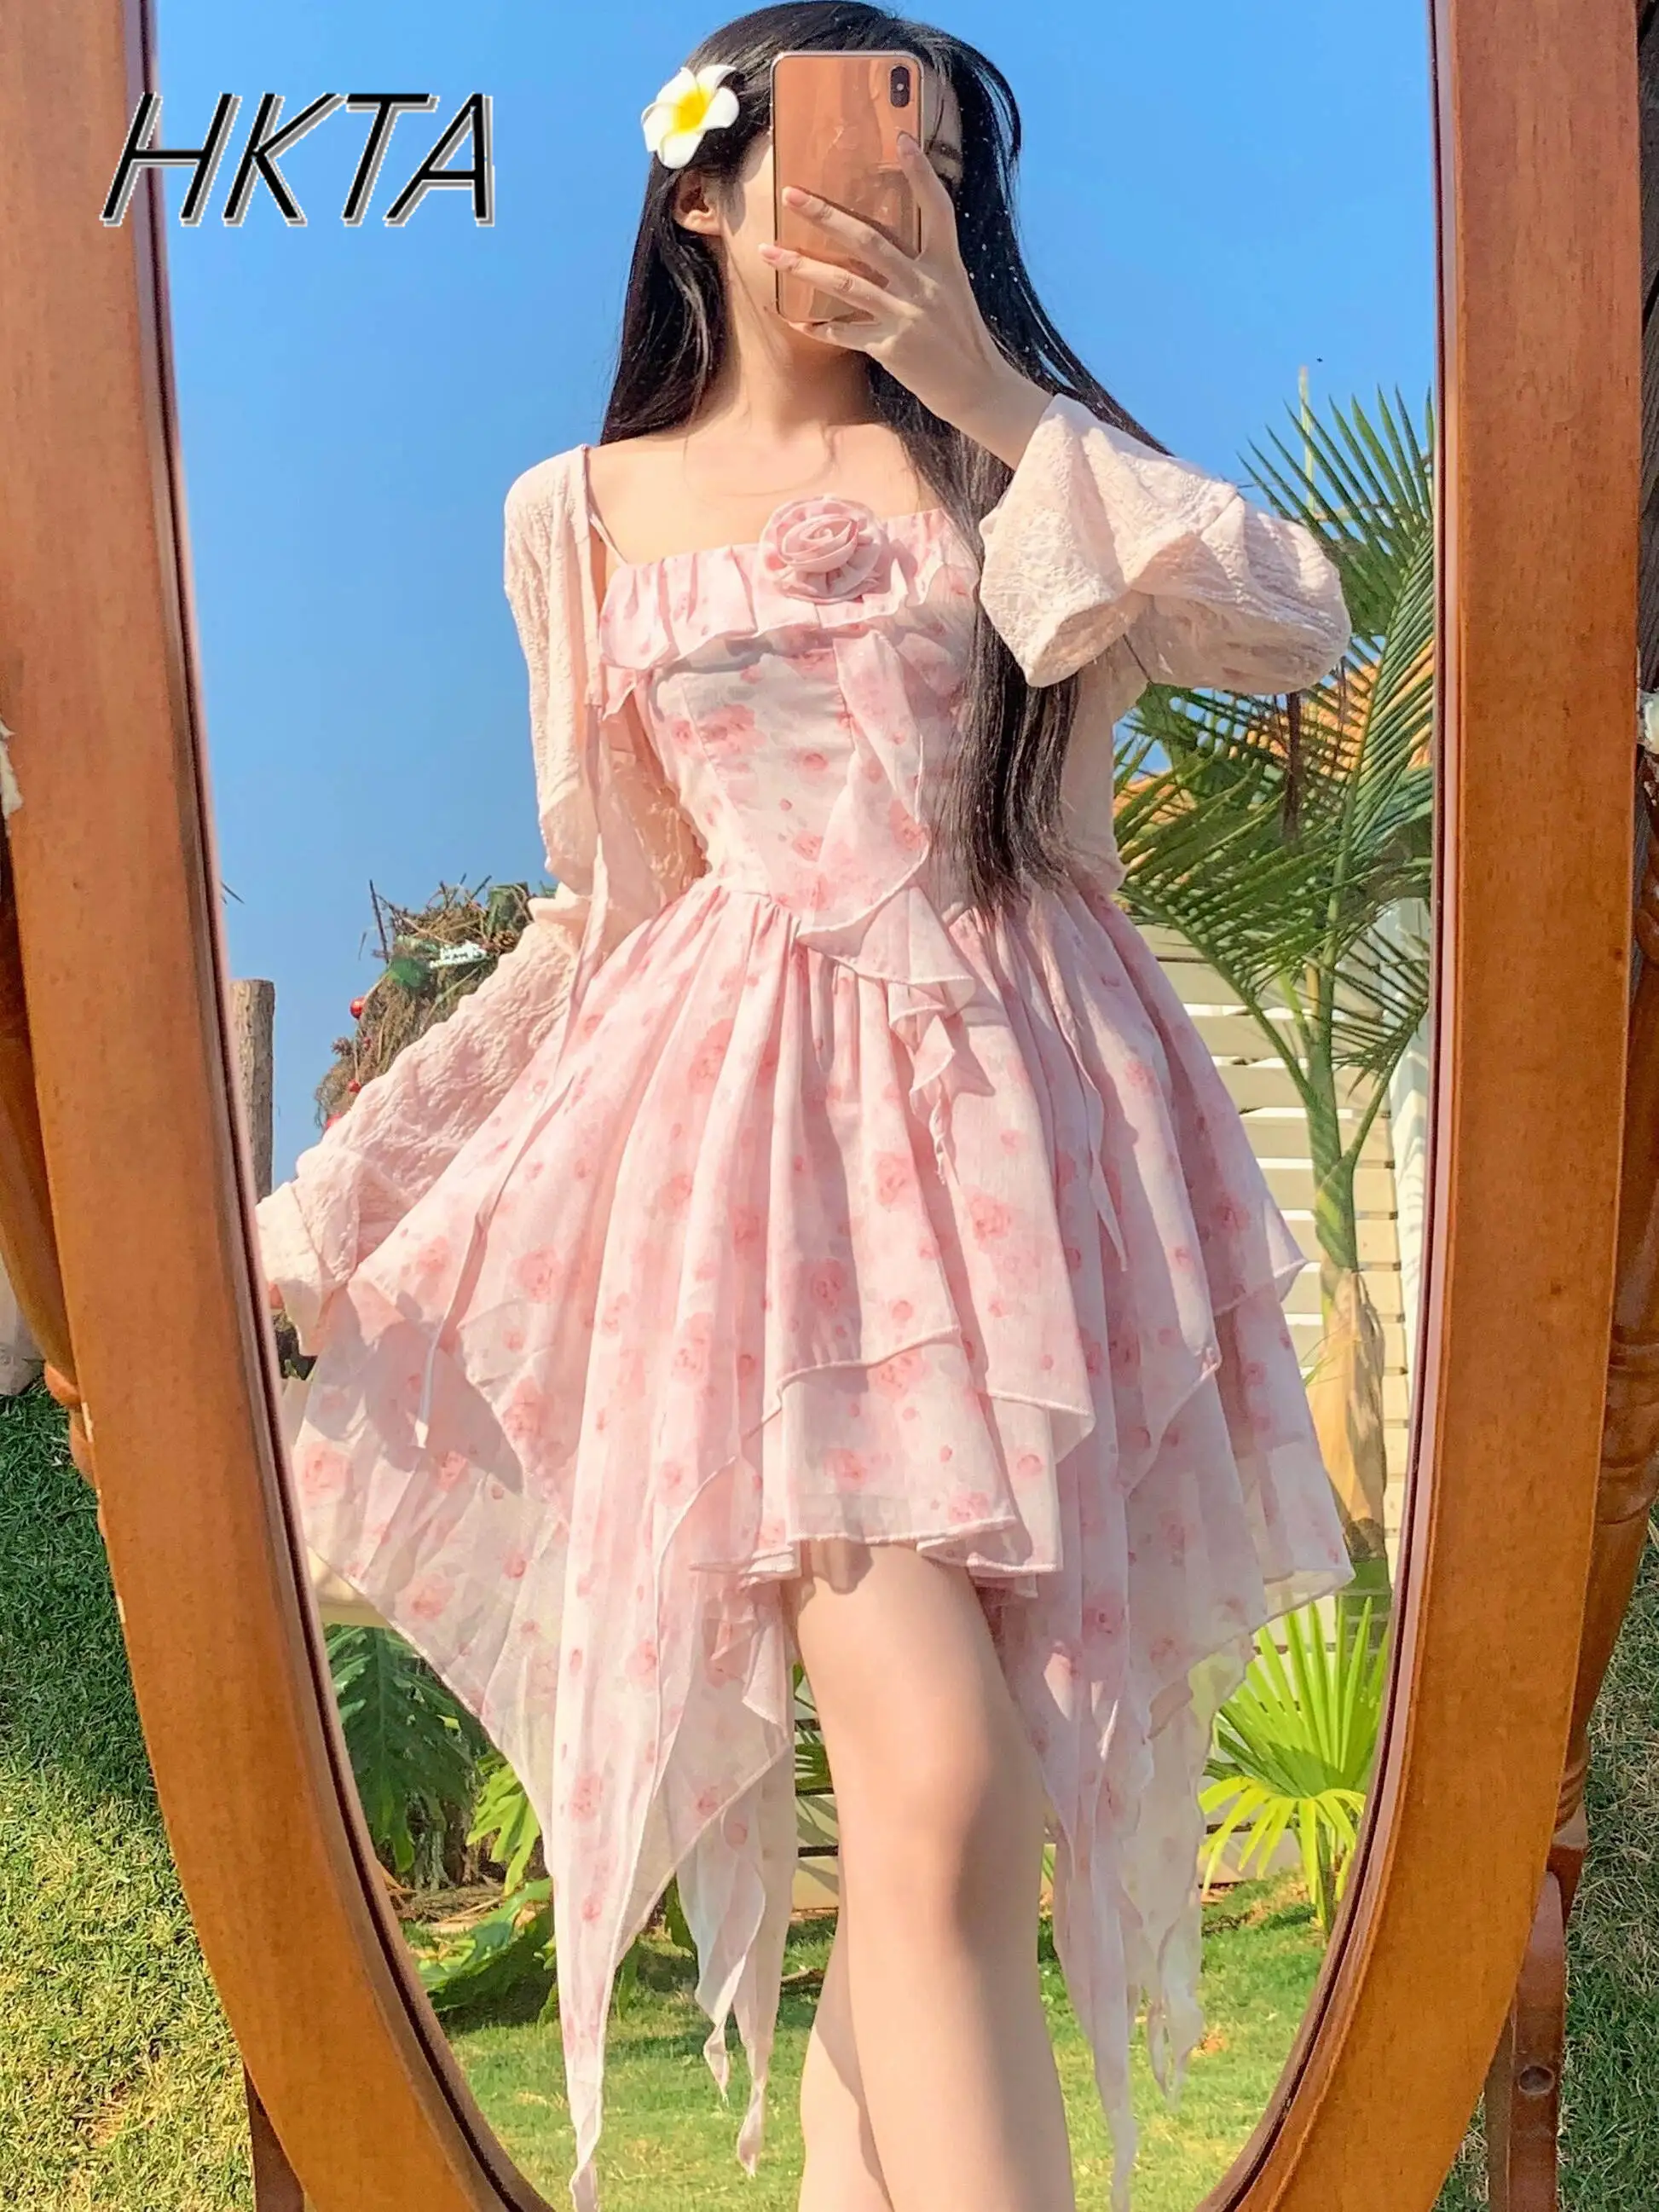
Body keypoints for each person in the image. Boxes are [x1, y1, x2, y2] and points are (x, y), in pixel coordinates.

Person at [257, 9, 1355, 2209]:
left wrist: (992, 390)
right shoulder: (578, 513)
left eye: (936, 169)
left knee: (975, 1818)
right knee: (941, 1787)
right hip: (770, 1197)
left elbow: (1295, 627)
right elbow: (602, 917)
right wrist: (349, 1191)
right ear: (698, 184)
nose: (896, 198)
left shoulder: (1008, 459)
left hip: (1043, 1174)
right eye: (851, 152)